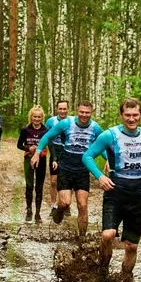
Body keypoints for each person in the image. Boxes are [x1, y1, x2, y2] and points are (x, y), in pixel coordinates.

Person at [82, 97, 141, 282]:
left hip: (139, 194)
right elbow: (87, 156)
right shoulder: (109, 135)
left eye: (135, 115)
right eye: (127, 115)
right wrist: (100, 177)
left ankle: (125, 279)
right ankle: (103, 269)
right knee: (108, 235)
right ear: (121, 115)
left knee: (131, 245)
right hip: (115, 191)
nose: (131, 119)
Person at [31, 100, 103, 238]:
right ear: (76, 111)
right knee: (65, 203)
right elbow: (47, 136)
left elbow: (103, 146)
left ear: (91, 113)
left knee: (82, 205)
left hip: (82, 168)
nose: (84, 115)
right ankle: (59, 210)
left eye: (87, 113)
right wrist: (37, 152)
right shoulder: (66, 123)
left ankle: (82, 239)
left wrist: (109, 160)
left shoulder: (95, 128)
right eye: (82, 112)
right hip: (66, 167)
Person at [17, 105, 49, 223]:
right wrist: (28, 148)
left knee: (39, 186)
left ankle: (38, 213)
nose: (36, 119)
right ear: (31, 117)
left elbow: (50, 145)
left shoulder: (46, 130)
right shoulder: (25, 130)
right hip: (28, 159)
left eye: (39, 117)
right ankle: (29, 211)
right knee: (29, 185)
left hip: (42, 159)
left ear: (42, 118)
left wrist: (55, 159)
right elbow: (19, 145)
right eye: (35, 117)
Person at [44, 100, 71, 219]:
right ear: (56, 109)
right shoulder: (51, 121)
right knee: (54, 181)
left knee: (68, 180)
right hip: (55, 150)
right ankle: (54, 205)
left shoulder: (72, 121)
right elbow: (47, 137)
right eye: (60, 109)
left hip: (68, 152)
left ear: (68, 109)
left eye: (64, 109)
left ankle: (67, 204)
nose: (62, 111)